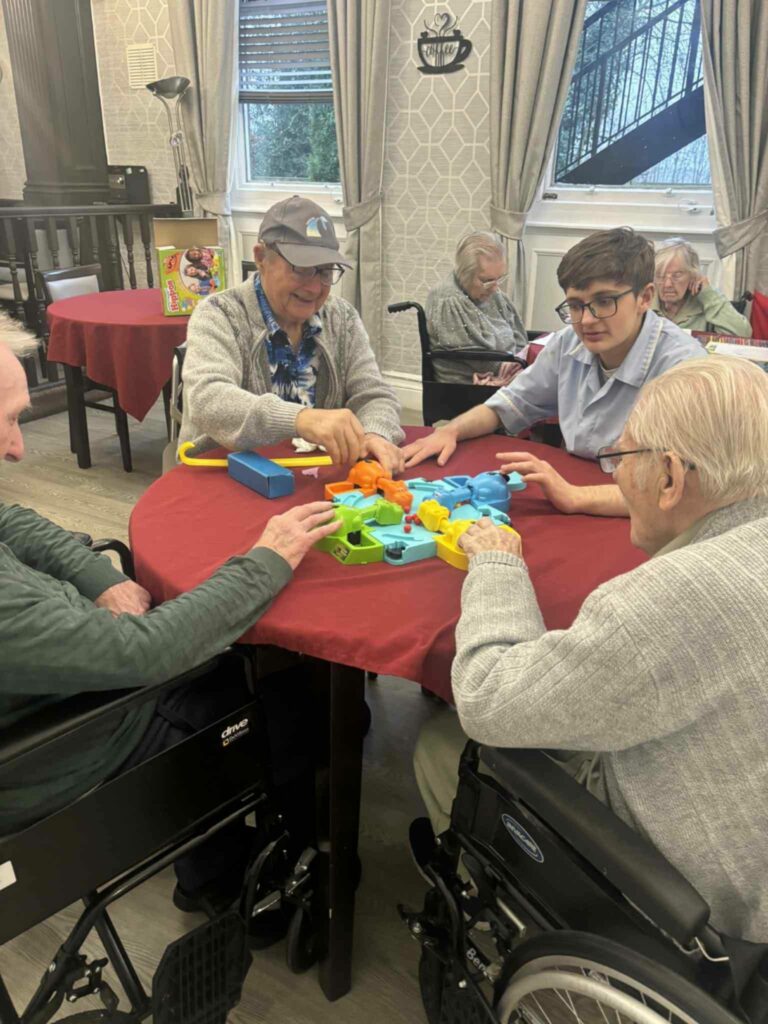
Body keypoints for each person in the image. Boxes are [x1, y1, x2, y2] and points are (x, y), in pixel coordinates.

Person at [0, 317, 341, 933]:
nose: (19, 449)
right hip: (71, 745)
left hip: (74, 679)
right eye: (7, 421)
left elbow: (11, 521)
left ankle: (211, 858)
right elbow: (144, 653)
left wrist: (98, 578)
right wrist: (266, 559)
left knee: (236, 652)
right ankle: (231, 883)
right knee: (295, 699)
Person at [414, 354, 768, 942]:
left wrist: (498, 562)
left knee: (440, 744)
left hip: (706, 912)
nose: (616, 475)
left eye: (621, 459)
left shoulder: (663, 603)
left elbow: (486, 697)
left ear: (671, 478)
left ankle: (504, 913)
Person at [402, 229, 705, 505]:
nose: (586, 320)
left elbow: (679, 491)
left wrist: (575, 497)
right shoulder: (567, 343)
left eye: (604, 302)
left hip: (638, 509)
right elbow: (509, 404)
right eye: (575, 305)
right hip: (577, 485)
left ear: (645, 298)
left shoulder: (684, 368)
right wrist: (450, 430)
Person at [179, 195, 405, 474]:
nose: (314, 288)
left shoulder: (342, 318)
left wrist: (375, 434)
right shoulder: (219, 313)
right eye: (301, 269)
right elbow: (208, 399)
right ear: (261, 258)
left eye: (325, 272)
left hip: (313, 478)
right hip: (226, 474)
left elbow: (374, 395)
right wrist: (301, 419)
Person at [425, 231, 527, 385]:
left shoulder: (492, 292)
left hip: (507, 374)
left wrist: (521, 360)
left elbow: (519, 335)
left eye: (499, 278)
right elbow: (478, 359)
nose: (495, 288)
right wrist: (516, 369)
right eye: (487, 280)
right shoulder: (448, 299)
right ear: (465, 274)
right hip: (469, 386)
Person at [652, 237, 752, 337]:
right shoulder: (647, 301)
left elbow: (743, 334)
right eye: (660, 275)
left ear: (693, 275)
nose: (667, 284)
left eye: (677, 275)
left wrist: (708, 295)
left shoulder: (707, 299)